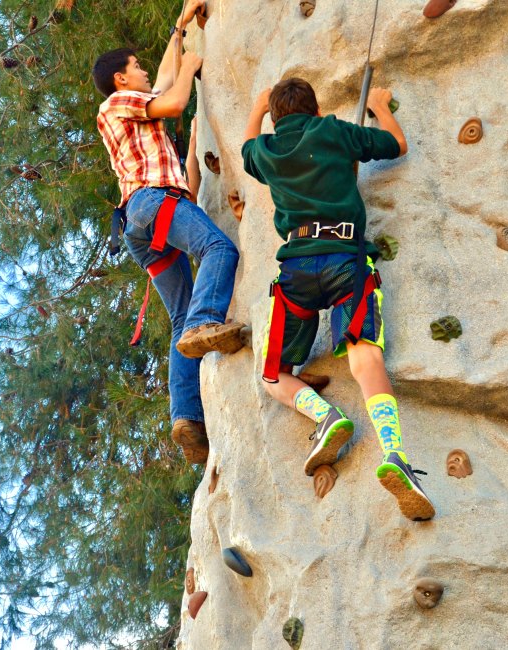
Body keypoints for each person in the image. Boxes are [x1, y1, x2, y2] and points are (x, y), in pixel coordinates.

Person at [240, 77, 435, 521]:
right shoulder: (332, 132)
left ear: (275, 118)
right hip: (346, 257)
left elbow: (248, 144)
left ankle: (326, 418)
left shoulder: (266, 152)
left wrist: (256, 110)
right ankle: (395, 455)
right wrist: (382, 105)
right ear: (314, 108)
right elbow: (396, 144)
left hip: (297, 270)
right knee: (364, 358)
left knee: (273, 377)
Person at [92, 0, 243, 465]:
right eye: (134, 67)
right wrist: (193, 65)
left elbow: (160, 84)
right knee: (219, 248)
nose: (141, 73)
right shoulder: (117, 101)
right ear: (120, 78)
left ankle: (187, 419)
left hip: (139, 224)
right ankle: (205, 323)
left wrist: (180, 27)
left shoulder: (133, 105)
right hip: (153, 202)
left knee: (178, 320)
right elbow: (174, 97)